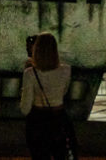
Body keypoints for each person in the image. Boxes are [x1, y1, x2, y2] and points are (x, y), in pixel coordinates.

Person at [21, 32, 75, 160]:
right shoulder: (66, 70)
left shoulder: (30, 73)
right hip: (59, 118)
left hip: (37, 121)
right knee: (61, 154)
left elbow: (25, 108)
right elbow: (64, 92)